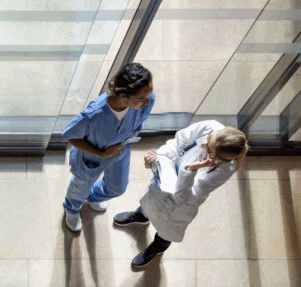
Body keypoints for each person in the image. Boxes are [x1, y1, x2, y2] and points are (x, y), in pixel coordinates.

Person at [113, 120, 249, 267]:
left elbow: (181, 197)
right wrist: (159, 156)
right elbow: (178, 143)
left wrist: (191, 169)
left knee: (166, 232)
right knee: (149, 201)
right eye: (210, 138)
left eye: (209, 150)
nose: (203, 144)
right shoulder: (210, 127)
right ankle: (141, 216)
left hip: (180, 205)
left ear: (218, 158)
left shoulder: (223, 170)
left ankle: (155, 249)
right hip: (168, 177)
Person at [62, 63, 156, 232]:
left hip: (120, 152)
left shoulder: (146, 100)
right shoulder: (94, 114)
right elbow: (70, 135)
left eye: (148, 94)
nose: (148, 100)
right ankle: (72, 208)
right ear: (123, 95)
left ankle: (91, 196)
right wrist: (100, 153)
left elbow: (138, 119)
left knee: (117, 188)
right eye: (141, 98)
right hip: (91, 158)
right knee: (80, 186)